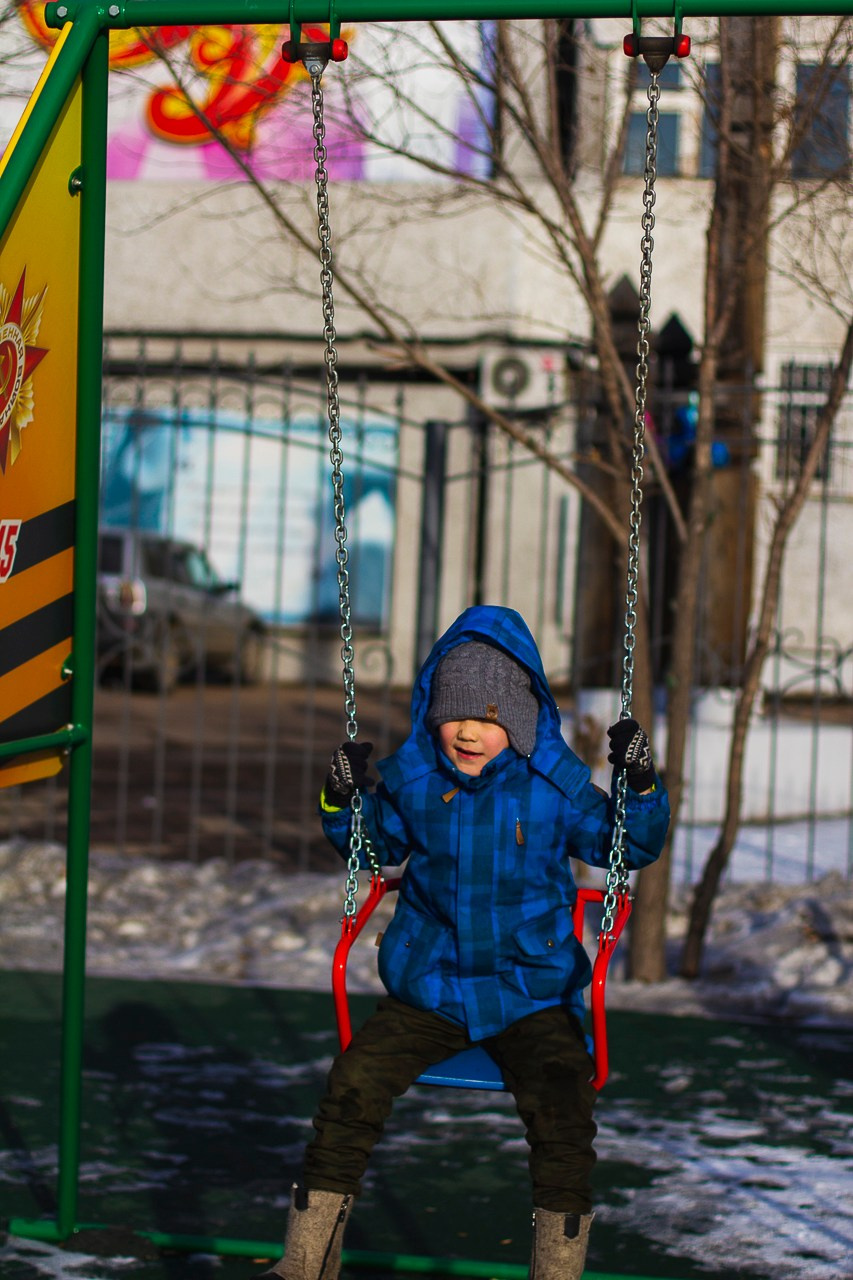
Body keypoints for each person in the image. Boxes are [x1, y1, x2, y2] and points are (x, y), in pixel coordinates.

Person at [259, 605, 669, 1280]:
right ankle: (303, 1263)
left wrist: (641, 786)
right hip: (433, 985)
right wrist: (341, 800)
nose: (469, 733)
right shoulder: (412, 780)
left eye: (488, 718)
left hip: (529, 988)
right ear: (431, 712)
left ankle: (555, 1270)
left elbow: (626, 845)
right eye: (455, 715)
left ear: (518, 718)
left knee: (564, 1107)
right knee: (351, 1089)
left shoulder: (555, 787)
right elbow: (372, 846)